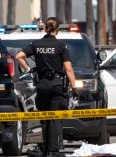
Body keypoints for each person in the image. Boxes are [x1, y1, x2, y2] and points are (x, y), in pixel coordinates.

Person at [16, 17, 77, 157]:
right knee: (54, 118)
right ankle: (53, 151)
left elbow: (19, 56)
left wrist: (28, 70)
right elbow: (68, 69)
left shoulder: (36, 44)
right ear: (57, 30)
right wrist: (74, 88)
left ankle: (45, 151)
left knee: (44, 118)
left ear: (45, 28)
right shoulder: (61, 46)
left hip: (42, 85)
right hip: (56, 84)